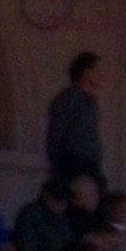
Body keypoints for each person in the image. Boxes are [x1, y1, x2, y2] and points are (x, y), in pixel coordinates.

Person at [45, 50, 107, 189]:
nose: (101, 75)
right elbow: (56, 133)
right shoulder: (68, 99)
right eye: (98, 71)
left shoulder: (91, 102)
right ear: (86, 73)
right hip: (74, 163)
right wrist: (58, 166)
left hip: (90, 163)